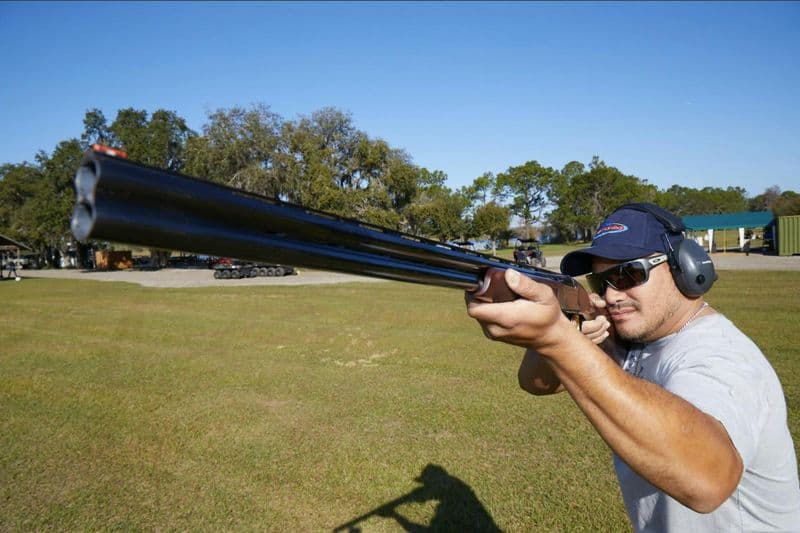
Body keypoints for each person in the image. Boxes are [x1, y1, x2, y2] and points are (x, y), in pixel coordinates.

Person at [466, 202, 800, 532]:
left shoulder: (721, 356)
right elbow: (536, 383)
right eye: (601, 282)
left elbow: (708, 481)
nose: (611, 296)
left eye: (628, 274)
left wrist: (559, 340)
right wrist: (569, 332)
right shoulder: (633, 337)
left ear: (684, 266)